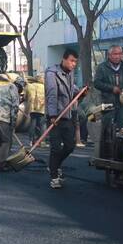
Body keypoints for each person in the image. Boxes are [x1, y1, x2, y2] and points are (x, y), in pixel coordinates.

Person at [45, 49, 85, 189]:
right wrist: (52, 115)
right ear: (64, 59)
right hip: (55, 116)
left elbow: (71, 89)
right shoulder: (52, 74)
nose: (74, 64)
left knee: (70, 146)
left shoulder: (70, 74)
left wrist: (80, 92)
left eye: (75, 62)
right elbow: (52, 95)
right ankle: (54, 176)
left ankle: (54, 165)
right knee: (56, 148)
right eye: (71, 61)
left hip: (67, 115)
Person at [0, 76, 25, 171]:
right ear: (20, 86)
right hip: (2, 119)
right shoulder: (14, 93)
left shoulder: (2, 87)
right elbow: (14, 111)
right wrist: (13, 125)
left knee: (0, 142)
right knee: (7, 142)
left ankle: (1, 160)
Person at [94, 45, 123, 129]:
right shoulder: (102, 68)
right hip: (108, 104)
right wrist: (111, 88)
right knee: (108, 131)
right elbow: (97, 83)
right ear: (109, 55)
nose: (118, 56)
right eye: (115, 54)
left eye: (120, 54)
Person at [25, 75, 45, 147]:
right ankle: (41, 141)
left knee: (32, 124)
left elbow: (25, 96)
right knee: (41, 125)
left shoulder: (29, 86)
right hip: (42, 108)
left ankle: (31, 141)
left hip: (32, 108)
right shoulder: (44, 87)